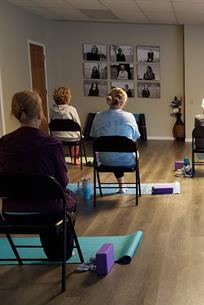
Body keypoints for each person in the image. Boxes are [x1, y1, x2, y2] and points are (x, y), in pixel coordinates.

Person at [0, 90, 76, 261]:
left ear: (16, 113)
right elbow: (62, 182)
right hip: (47, 211)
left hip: (11, 211)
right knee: (68, 201)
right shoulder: (52, 143)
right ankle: (59, 252)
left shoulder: (4, 142)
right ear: (40, 113)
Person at [90, 88, 140, 193]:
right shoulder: (129, 116)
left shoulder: (98, 116)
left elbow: (94, 135)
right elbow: (134, 138)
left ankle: (122, 186)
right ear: (124, 102)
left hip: (104, 160)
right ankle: (122, 187)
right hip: (127, 160)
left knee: (112, 152)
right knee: (121, 151)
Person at [49, 87, 82, 165]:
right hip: (72, 137)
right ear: (68, 97)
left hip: (56, 136)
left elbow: (51, 121)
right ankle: (75, 159)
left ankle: (58, 158)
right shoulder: (72, 109)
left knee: (70, 134)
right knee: (76, 136)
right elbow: (78, 125)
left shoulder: (52, 109)